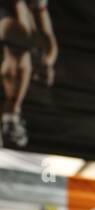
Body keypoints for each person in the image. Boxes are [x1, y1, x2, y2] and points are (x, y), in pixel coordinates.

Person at [0, 0, 56, 149]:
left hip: (13, 16)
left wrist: (14, 110)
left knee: (21, 46)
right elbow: (39, 10)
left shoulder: (18, 65)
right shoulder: (48, 52)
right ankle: (11, 117)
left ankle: (11, 118)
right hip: (18, 16)